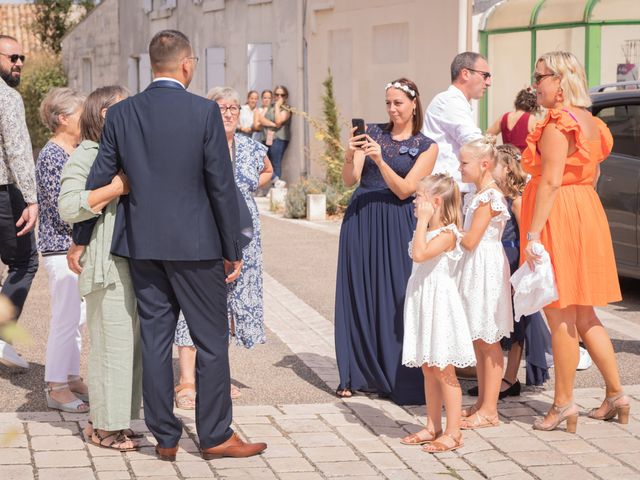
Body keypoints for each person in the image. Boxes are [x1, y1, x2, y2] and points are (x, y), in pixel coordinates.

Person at [72, 30, 267, 460]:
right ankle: (215, 435)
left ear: (151, 64)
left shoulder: (121, 114)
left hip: (143, 248)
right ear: (186, 64)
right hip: (197, 250)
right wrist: (233, 248)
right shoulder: (203, 113)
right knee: (212, 342)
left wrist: (80, 239)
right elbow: (220, 184)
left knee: (156, 342)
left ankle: (165, 437)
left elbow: (99, 179)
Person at [522, 51, 627, 433]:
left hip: (558, 215)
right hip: (585, 210)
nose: (535, 85)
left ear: (560, 80)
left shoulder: (557, 124)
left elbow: (549, 182)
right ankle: (617, 394)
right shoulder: (592, 122)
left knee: (560, 313)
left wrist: (533, 232)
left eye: (540, 77)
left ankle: (563, 403)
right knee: (585, 314)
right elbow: (593, 173)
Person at [335, 78, 438, 404]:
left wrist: (380, 160)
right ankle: (355, 373)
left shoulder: (427, 146)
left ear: (413, 104)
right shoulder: (373, 132)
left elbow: (406, 190)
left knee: (397, 295)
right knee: (359, 293)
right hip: (362, 219)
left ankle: (397, 374)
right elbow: (350, 179)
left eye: (398, 103)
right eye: (388, 104)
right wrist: (351, 155)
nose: (392, 110)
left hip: (397, 222)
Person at [173, 86, 273, 408]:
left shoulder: (249, 146)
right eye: (221, 108)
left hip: (244, 238)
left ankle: (216, 374)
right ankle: (187, 379)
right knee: (194, 302)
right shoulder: (196, 146)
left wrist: (248, 187)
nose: (228, 113)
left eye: (233, 108)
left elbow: (269, 170)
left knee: (228, 308)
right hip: (206, 232)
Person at [58, 85, 143, 452]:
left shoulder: (130, 154)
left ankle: (110, 422)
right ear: (107, 114)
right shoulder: (87, 154)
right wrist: (115, 187)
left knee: (129, 350)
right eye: (127, 108)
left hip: (134, 264)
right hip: (105, 267)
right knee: (112, 348)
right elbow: (69, 205)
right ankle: (105, 427)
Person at [467, 145, 551, 400]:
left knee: (517, 322)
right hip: (496, 255)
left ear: (506, 168)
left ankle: (510, 377)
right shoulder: (493, 194)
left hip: (511, 257)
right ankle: (495, 378)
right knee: (501, 319)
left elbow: (526, 232)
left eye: (495, 165)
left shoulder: (515, 200)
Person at [400, 174, 473, 453]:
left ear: (436, 202)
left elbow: (419, 255)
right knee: (428, 367)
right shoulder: (428, 231)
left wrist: (421, 221)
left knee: (444, 369)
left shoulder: (447, 234)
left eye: (419, 197)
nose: (414, 202)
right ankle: (433, 425)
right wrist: (422, 223)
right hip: (422, 301)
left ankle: (454, 432)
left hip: (440, 304)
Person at [36, 87, 89, 413]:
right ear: (62, 118)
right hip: (60, 248)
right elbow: (62, 209)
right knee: (65, 319)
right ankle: (55, 386)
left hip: (76, 247)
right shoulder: (52, 155)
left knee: (78, 318)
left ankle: (70, 374)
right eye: (81, 114)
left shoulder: (75, 150)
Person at [457, 135, 513, 429]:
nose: (460, 167)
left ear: (484, 165)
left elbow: (469, 241)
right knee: (479, 338)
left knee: (489, 340)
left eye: (464, 163)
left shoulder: (489, 197)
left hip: (484, 267)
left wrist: (443, 232)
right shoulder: (476, 195)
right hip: (476, 265)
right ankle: (481, 402)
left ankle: (490, 409)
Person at [0, 34, 39, 370]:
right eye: (12, 57)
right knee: (26, 262)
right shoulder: (7, 98)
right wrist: (31, 198)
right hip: (4, 191)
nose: (19, 63)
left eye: (21, 57)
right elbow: (17, 151)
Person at [423, 52, 490, 192]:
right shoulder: (450, 101)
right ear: (465, 74)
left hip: (453, 188)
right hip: (449, 191)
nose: (489, 82)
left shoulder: (455, 102)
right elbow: (475, 143)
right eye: (485, 75)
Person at [255, 85, 291, 188]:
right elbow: (260, 119)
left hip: (279, 138)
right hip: (266, 138)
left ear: (286, 96)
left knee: (275, 162)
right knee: (261, 160)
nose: (279, 96)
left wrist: (277, 106)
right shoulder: (269, 106)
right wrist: (273, 124)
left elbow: (279, 120)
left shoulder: (286, 108)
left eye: (282, 95)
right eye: (277, 94)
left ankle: (276, 188)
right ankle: (276, 181)